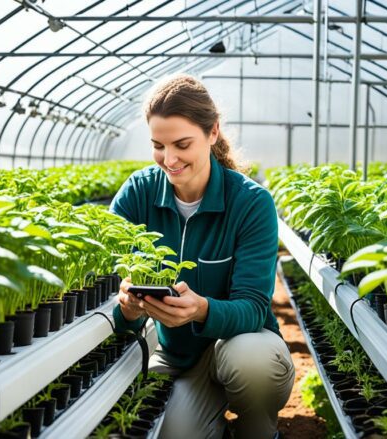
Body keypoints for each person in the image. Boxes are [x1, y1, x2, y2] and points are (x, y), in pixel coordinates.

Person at [109, 74, 295, 439]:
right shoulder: (139, 193)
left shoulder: (251, 203)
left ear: (212, 133)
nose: (169, 158)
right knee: (168, 433)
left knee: (253, 363)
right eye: (158, 145)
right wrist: (128, 311)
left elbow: (254, 307)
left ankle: (257, 432)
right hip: (175, 356)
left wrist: (201, 310)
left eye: (182, 144)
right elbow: (103, 280)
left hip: (239, 344)